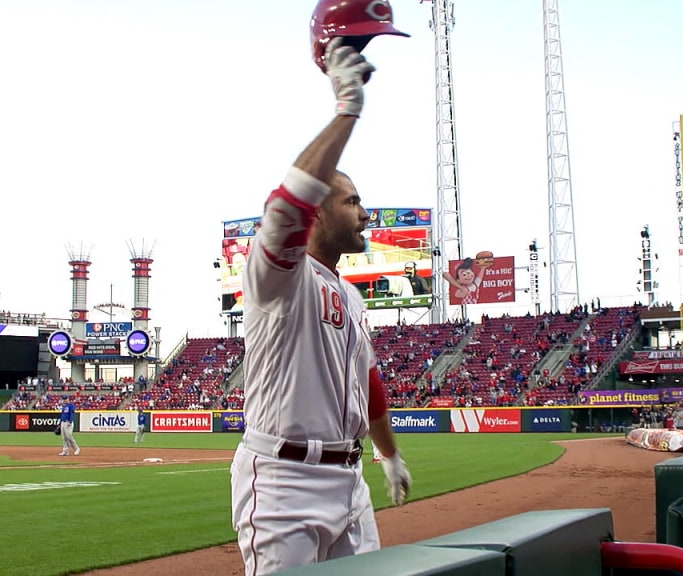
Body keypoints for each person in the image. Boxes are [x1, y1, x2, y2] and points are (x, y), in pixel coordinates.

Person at [228, 4, 411, 574]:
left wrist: (389, 454)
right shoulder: (277, 277)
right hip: (284, 484)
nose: (364, 212)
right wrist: (346, 112)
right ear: (318, 215)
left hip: (349, 481)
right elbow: (285, 208)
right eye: (351, 201)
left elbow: (369, 380)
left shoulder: (352, 296)